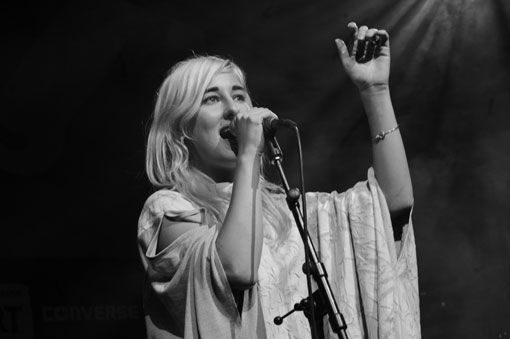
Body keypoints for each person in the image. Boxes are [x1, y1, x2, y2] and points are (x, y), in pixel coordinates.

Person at [137, 22, 421, 339]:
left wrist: (375, 92)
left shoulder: (285, 212)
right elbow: (236, 269)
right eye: (212, 99)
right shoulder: (166, 210)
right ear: (181, 131)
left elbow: (390, 206)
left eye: (239, 95)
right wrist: (248, 154)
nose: (234, 109)